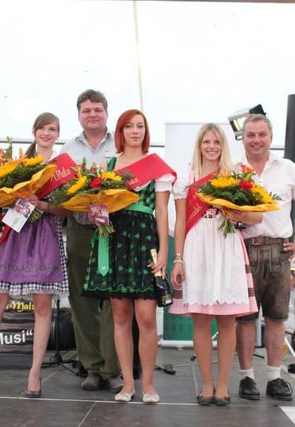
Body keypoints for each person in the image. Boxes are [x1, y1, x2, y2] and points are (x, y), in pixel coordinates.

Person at [0, 113, 69, 397]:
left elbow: (69, 208)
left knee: (42, 306)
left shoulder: (62, 168)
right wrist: (12, 196)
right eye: (43, 128)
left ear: (58, 134)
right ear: (34, 131)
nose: (47, 133)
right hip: (16, 231)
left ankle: (35, 375)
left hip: (45, 234)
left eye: (52, 129)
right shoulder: (16, 164)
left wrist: (42, 204)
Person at [83, 109, 175, 404]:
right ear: (120, 132)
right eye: (129, 127)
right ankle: (126, 384)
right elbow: (98, 207)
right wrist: (94, 212)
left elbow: (162, 212)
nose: (135, 131)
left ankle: (147, 383)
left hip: (144, 239)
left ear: (146, 132)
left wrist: (164, 251)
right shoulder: (107, 166)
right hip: (114, 240)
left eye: (140, 126)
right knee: (120, 315)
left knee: (146, 317)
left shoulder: (156, 167)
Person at [228, 113, 295, 401]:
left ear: (271, 136)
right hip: (243, 248)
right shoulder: (232, 170)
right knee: (244, 318)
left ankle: (275, 378)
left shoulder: (288, 168)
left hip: (280, 250)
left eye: (261, 134)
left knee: (276, 317)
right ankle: (246, 378)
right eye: (250, 135)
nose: (256, 140)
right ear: (242, 137)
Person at [170, 124, 260, 406]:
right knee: (200, 318)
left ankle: (223, 385)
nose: (211, 146)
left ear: (223, 146)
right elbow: (181, 222)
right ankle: (206, 384)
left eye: (216, 142)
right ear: (199, 145)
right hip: (197, 247)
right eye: (206, 141)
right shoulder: (187, 178)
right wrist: (178, 258)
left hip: (226, 246)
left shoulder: (236, 176)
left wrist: (238, 213)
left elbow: (256, 217)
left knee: (228, 319)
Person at [59, 89, 122, 392]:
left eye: (98, 109)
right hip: (80, 229)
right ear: (79, 114)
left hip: (116, 230)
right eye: (87, 110)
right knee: (82, 299)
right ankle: (93, 367)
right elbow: (59, 191)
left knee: (115, 299)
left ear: (106, 113)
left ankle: (113, 366)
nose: (93, 114)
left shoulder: (120, 145)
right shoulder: (68, 149)